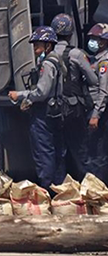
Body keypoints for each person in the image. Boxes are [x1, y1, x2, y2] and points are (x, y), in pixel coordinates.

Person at [8, 26, 66, 190]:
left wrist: (19, 95)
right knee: (57, 154)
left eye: (37, 45)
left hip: (44, 115)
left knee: (44, 154)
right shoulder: (58, 61)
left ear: (48, 45)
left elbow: (41, 92)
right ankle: (59, 191)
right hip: (55, 111)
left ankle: (47, 191)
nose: (34, 49)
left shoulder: (47, 63)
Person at [51, 13, 97, 180]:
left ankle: (61, 190)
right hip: (74, 109)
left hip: (53, 109)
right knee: (81, 150)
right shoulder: (77, 54)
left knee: (58, 151)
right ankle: (90, 188)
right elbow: (93, 80)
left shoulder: (47, 54)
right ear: (71, 33)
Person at [86, 23, 108, 181]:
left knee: (97, 153)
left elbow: (104, 91)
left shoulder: (104, 63)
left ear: (103, 41)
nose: (92, 42)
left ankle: (98, 189)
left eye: (95, 38)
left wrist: (96, 115)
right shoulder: (96, 60)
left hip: (100, 112)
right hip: (96, 110)